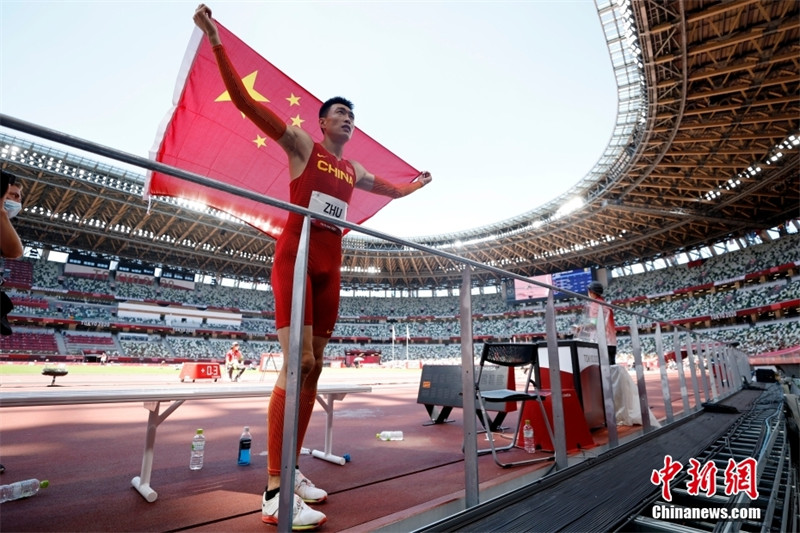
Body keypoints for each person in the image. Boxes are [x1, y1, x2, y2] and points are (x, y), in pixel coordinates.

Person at [192, 5, 433, 529]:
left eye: (353, 115)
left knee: (316, 368)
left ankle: (294, 468)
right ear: (322, 122)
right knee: (296, 363)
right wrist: (215, 40)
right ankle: (275, 488)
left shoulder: (352, 168)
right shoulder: (303, 146)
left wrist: (415, 185)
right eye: (340, 113)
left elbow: (388, 187)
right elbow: (243, 101)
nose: (348, 118)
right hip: (296, 258)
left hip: (332, 265)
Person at [578, 280, 617, 365]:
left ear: (591, 292)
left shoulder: (594, 305)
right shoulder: (605, 304)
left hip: (602, 343)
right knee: (611, 369)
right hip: (611, 343)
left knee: (602, 372)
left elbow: (594, 325)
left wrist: (581, 328)